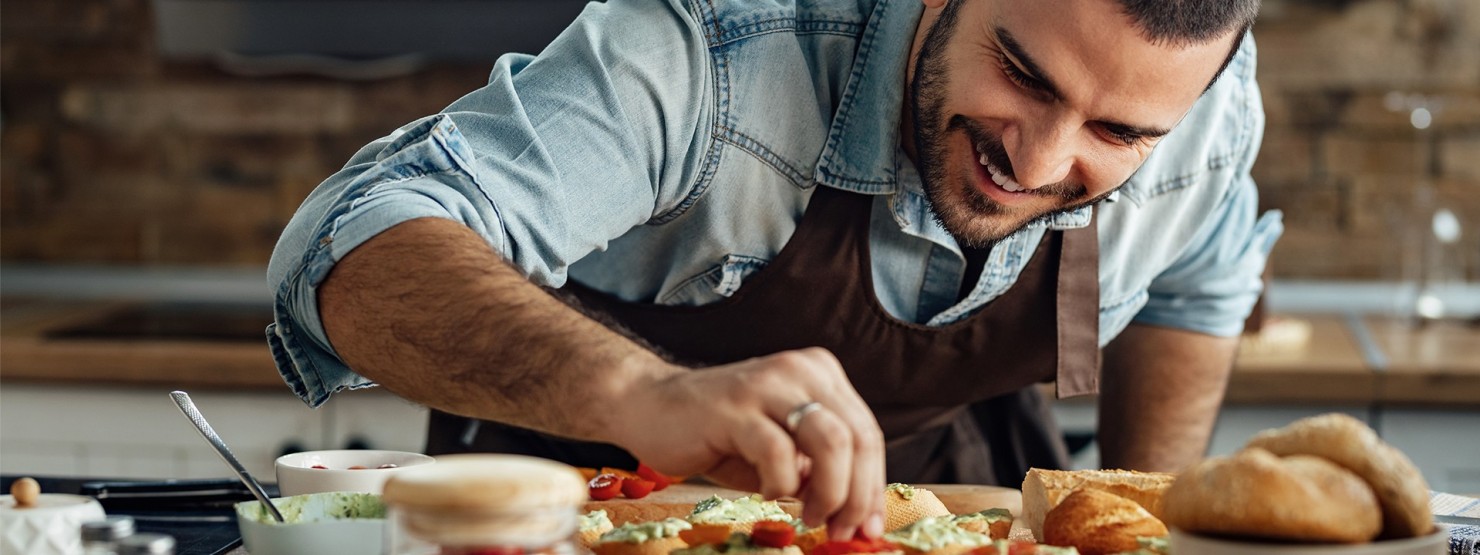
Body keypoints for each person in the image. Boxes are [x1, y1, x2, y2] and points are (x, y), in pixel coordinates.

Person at [266, 0, 1282, 541]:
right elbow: (350, 240)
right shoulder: (715, 45)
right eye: (1021, 75)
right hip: (584, 511)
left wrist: (1142, 525)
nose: (1041, 162)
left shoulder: (1206, 109)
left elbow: (1198, 282)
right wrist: (640, 392)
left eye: (1115, 132)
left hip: (945, 505)